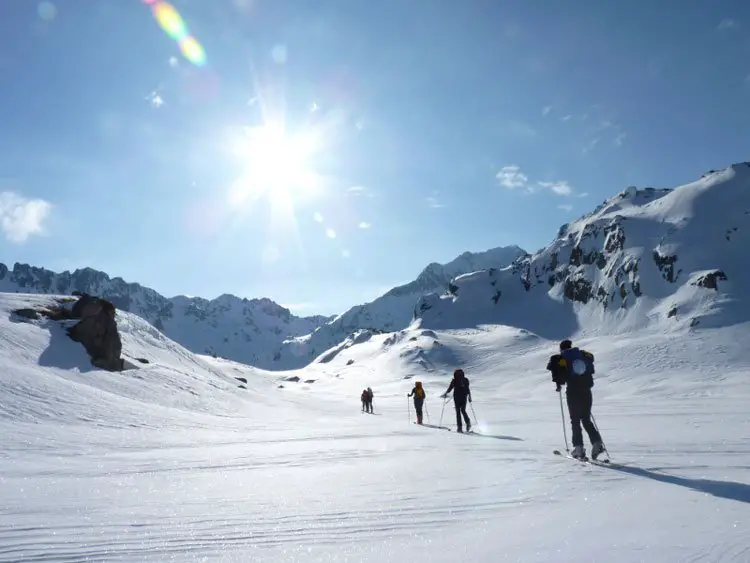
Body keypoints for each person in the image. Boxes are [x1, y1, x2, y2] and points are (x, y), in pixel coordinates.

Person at [547, 339, 605, 460]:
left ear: (561, 348)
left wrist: (558, 385)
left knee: (575, 420)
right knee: (586, 419)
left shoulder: (561, 358)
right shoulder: (582, 355)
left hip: (573, 392)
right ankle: (597, 443)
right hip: (586, 391)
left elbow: (558, 374)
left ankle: (578, 449)